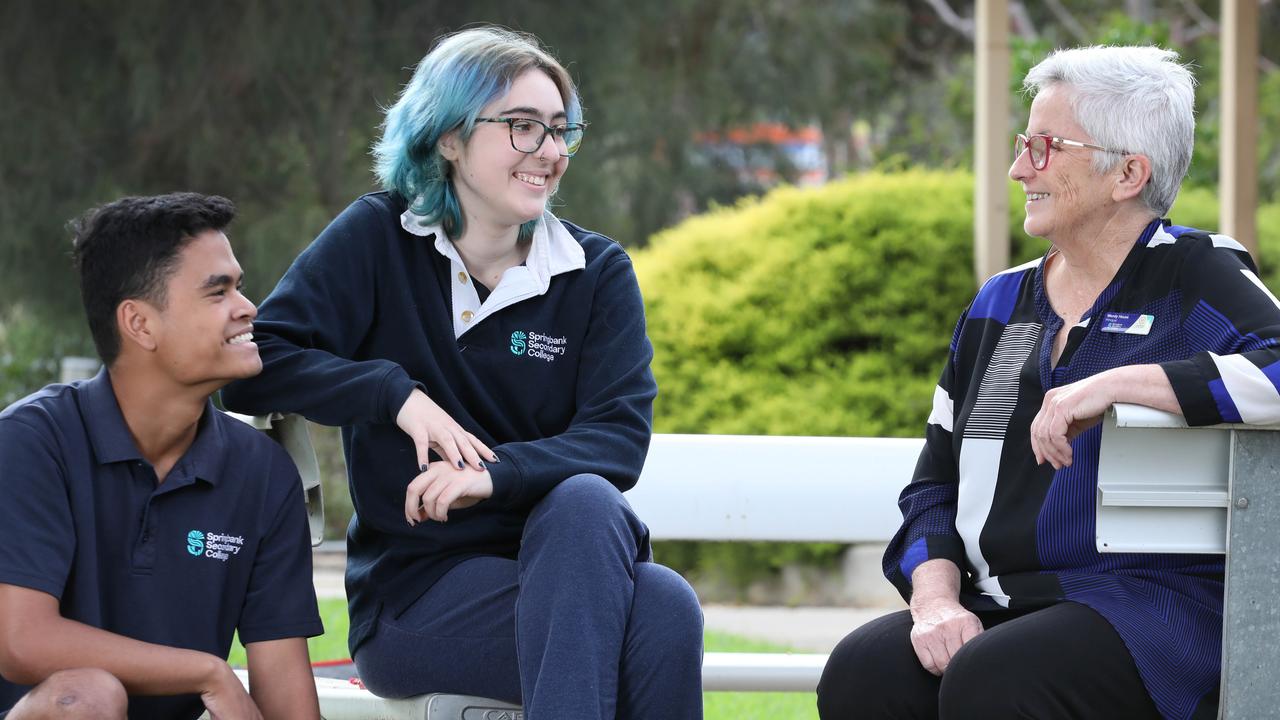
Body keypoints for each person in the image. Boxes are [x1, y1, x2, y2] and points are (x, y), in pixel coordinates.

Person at [221, 27, 703, 720]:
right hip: (419, 598)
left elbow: (617, 441)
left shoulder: (595, 275)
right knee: (661, 612)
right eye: (522, 127)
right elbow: (251, 365)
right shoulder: (378, 239)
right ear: (448, 137)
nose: (550, 152)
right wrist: (391, 393)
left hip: (572, 569)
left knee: (594, 514)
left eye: (561, 131)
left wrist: (492, 474)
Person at [817, 46, 1280, 720]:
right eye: (1021, 144)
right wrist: (936, 601)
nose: (1017, 168)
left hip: (1148, 613)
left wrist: (1126, 383)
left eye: (1044, 147)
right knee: (868, 670)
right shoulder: (1000, 305)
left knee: (999, 676)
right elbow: (933, 487)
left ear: (1128, 172)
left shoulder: (1195, 276)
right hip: (1001, 602)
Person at [0, 193, 324, 720]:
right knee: (88, 697)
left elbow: (287, 698)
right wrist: (209, 672)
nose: (247, 307)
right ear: (140, 324)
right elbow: (21, 640)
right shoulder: (32, 441)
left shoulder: (263, 473)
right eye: (217, 292)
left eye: (238, 287)